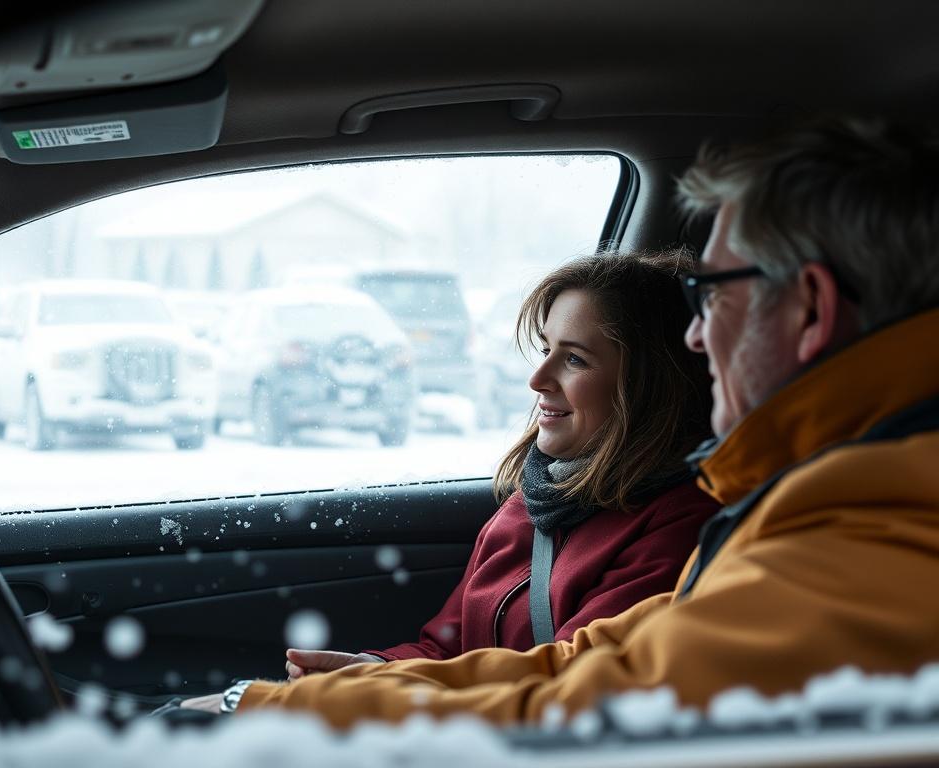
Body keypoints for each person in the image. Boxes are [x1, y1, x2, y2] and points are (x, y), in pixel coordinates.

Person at [198, 116, 939, 728]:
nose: (694, 333)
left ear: (809, 307)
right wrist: (328, 694)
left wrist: (270, 712)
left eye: (712, 294)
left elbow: (583, 710)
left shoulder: (878, 529)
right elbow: (579, 663)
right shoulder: (828, 501)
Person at [282, 251, 718, 683]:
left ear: (651, 386)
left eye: (575, 359)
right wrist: (372, 670)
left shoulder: (681, 526)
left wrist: (382, 694)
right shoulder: (533, 501)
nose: (537, 378)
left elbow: (564, 687)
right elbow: (448, 650)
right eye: (547, 349)